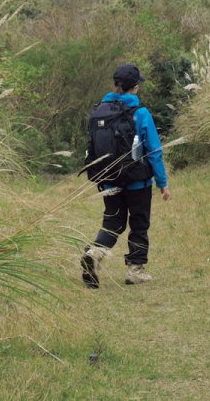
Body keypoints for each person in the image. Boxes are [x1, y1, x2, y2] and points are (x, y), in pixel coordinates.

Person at [81, 63, 170, 288]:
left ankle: (94, 252)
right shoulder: (140, 113)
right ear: (136, 87)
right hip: (137, 182)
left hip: (108, 179)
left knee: (113, 221)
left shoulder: (99, 110)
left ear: (115, 85)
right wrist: (162, 182)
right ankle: (135, 270)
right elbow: (155, 151)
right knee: (139, 223)